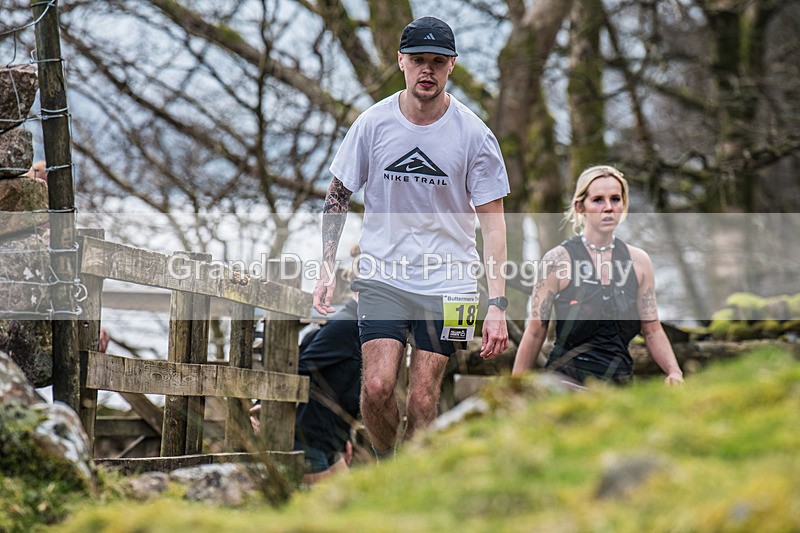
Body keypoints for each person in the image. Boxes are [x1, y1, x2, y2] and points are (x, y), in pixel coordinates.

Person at [312, 16, 511, 459]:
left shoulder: (475, 135)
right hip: (384, 274)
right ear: (400, 61)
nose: (428, 70)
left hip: (452, 281)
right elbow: (337, 197)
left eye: (437, 62)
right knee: (379, 386)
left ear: (452, 66)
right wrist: (326, 269)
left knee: (424, 398)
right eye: (418, 60)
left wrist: (496, 304)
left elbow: (494, 224)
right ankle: (388, 467)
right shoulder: (373, 124)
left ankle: (412, 487)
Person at [513, 165, 684, 385]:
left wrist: (674, 371)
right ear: (580, 206)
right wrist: (514, 389)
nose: (608, 207)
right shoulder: (558, 260)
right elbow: (536, 332)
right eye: (598, 200)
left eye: (615, 199)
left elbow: (651, 331)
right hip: (566, 384)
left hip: (619, 385)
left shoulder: (639, 262)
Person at [250, 297, 361, 483]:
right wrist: (265, 408)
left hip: (328, 438)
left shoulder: (361, 328)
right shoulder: (346, 326)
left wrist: (343, 438)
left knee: (349, 503)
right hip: (309, 437)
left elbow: (342, 386)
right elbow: (300, 368)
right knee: (322, 508)